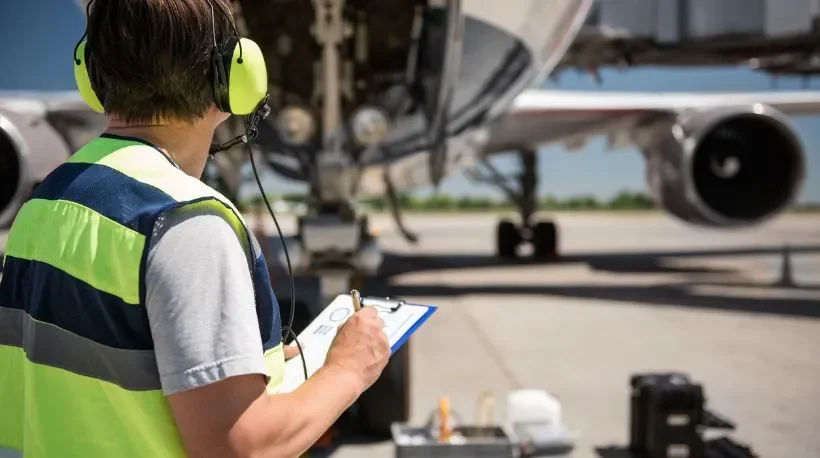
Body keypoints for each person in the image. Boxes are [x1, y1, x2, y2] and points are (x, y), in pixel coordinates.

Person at [0, 0, 390, 457]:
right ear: (233, 81)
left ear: (93, 76)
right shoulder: (185, 222)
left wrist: (240, 363)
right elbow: (241, 447)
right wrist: (348, 370)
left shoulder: (45, 203)